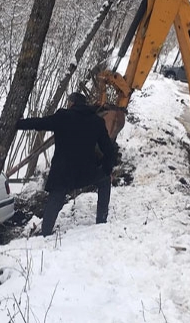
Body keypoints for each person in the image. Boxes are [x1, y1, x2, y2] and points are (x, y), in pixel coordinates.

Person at [16, 92, 117, 236]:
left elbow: (40, 123)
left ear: (71, 103)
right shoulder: (96, 121)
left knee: (55, 199)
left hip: (63, 173)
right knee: (105, 180)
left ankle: (45, 233)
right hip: (86, 172)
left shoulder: (63, 117)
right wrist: (107, 168)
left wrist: (19, 124)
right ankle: (101, 221)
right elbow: (108, 149)